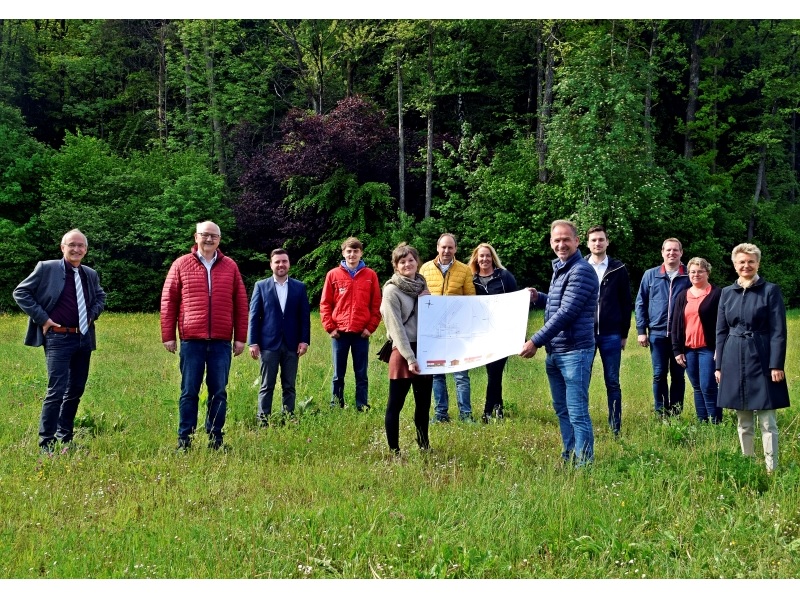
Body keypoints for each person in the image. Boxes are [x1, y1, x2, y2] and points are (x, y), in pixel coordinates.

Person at [13, 229, 106, 453]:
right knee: (57, 390)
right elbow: (21, 292)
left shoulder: (90, 274)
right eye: (71, 245)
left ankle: (65, 438)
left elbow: (100, 296)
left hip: (83, 337)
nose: (76, 249)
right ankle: (47, 442)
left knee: (76, 389)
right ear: (62, 247)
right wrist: (43, 318)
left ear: (86, 249)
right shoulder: (47, 268)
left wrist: (93, 313)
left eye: (80, 245)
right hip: (58, 338)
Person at [160, 221, 248, 451]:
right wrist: (168, 335)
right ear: (196, 237)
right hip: (191, 340)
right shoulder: (181, 264)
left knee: (218, 391)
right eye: (205, 235)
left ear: (219, 240)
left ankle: (215, 438)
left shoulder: (230, 266)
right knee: (189, 391)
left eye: (214, 236)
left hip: (221, 341)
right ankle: (184, 440)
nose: (209, 239)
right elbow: (169, 301)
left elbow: (240, 303)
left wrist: (240, 337)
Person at [520, 220, 599, 466]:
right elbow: (557, 302)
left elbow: (567, 312)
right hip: (557, 351)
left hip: (575, 351)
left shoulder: (581, 270)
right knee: (562, 410)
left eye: (566, 239)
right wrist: (539, 297)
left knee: (576, 411)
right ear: (551, 243)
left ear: (577, 241)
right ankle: (569, 455)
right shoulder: (561, 268)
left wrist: (535, 341)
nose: (561, 244)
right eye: (557, 240)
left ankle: (584, 463)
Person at [715, 243, 790, 473]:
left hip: (762, 356)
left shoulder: (770, 291)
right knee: (743, 420)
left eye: (750, 261)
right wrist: (718, 366)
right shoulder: (727, 293)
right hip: (733, 357)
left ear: (757, 263)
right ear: (735, 265)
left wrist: (776, 364)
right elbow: (720, 331)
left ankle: (771, 468)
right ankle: (747, 464)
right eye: (741, 262)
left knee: (768, 420)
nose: (746, 265)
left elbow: (778, 330)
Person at [380, 243, 433, 455]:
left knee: (423, 405)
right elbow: (396, 329)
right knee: (396, 405)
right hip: (403, 353)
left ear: (417, 262)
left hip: (425, 349)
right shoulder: (391, 290)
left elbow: (430, 321)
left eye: (411, 260)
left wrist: (428, 301)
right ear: (396, 266)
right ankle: (394, 450)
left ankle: (424, 446)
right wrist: (410, 359)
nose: (407, 264)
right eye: (402, 261)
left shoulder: (422, 286)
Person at [248, 249, 311, 425]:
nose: (281, 265)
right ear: (271, 264)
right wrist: (252, 342)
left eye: (284, 261)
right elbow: (254, 316)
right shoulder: (261, 286)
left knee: (289, 385)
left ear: (289, 263)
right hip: (268, 344)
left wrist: (304, 340)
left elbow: (304, 317)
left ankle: (288, 417)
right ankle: (263, 420)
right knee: (266, 385)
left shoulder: (299, 287)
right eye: (277, 262)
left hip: (292, 344)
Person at [419, 233, 476, 423]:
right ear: (437, 247)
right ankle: (440, 413)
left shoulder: (465, 270)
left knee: (461, 375)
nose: (446, 251)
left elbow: (470, 299)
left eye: (450, 247)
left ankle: (465, 415)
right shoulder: (425, 269)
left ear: (455, 249)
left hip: (457, 331)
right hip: (433, 332)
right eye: (443, 247)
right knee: (437, 374)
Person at [320, 237, 382, 411]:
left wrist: (370, 328)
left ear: (361, 253)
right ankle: (336, 405)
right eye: (349, 251)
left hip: (361, 333)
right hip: (339, 333)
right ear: (343, 253)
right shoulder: (333, 275)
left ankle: (361, 405)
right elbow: (325, 304)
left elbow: (376, 304)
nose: (352, 254)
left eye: (356, 251)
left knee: (361, 374)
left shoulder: (370, 275)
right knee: (338, 374)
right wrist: (330, 328)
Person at [635, 238, 691, 417]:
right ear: (662, 252)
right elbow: (640, 303)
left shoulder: (689, 276)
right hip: (657, 334)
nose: (671, 253)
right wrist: (641, 331)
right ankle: (660, 412)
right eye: (668, 250)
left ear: (681, 253)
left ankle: (675, 413)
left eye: (675, 250)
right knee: (659, 375)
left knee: (678, 376)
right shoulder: (650, 275)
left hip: (680, 336)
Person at [585, 225, 632, 436]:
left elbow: (626, 302)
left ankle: (615, 426)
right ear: (587, 243)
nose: (597, 243)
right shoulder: (580, 267)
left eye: (601, 239)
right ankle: (582, 424)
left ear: (607, 242)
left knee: (612, 381)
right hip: (584, 333)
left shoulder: (618, 268)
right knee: (581, 381)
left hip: (611, 334)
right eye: (593, 240)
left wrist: (624, 334)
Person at [469, 242, 518, 423]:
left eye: (488, 256)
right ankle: (499, 406)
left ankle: (487, 411)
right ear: (476, 258)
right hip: (481, 334)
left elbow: (517, 302)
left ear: (493, 258)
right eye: (481, 256)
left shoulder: (504, 276)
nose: (484, 259)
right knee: (492, 371)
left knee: (495, 371)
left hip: (503, 333)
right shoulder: (471, 280)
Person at [670, 257, 722, 424]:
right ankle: (703, 422)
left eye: (700, 271)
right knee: (697, 387)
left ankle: (716, 422)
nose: (696, 274)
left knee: (708, 386)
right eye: (692, 271)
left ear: (707, 272)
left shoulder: (717, 294)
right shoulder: (682, 296)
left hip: (708, 348)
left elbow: (723, 324)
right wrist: (677, 350)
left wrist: (719, 348)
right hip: (688, 349)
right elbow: (676, 324)